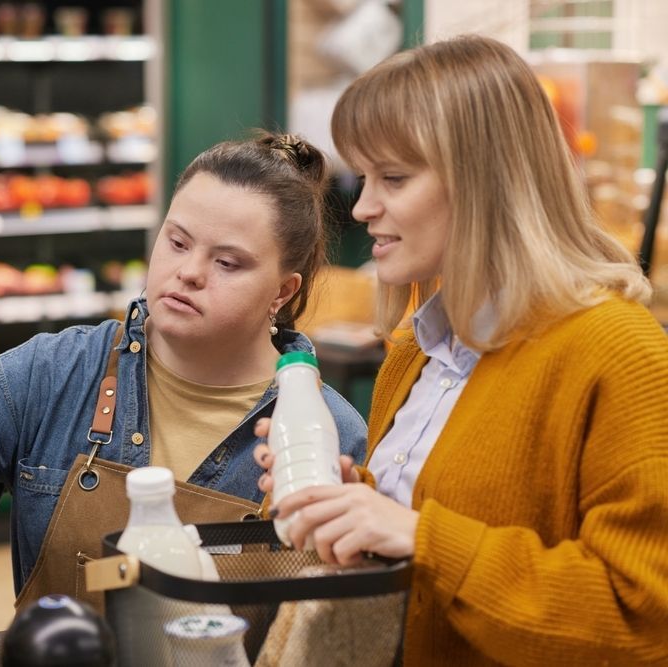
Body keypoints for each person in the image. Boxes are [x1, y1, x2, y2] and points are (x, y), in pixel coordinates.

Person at [256, 35, 668, 664]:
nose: (363, 207)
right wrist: (355, 504)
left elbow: (642, 619)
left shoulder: (617, 352)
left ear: (488, 180)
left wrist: (420, 537)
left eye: (393, 177)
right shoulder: (417, 348)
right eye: (363, 177)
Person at [0, 132, 368, 605]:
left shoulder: (331, 435)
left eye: (226, 262)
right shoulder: (59, 370)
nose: (189, 272)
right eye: (177, 242)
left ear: (282, 292)